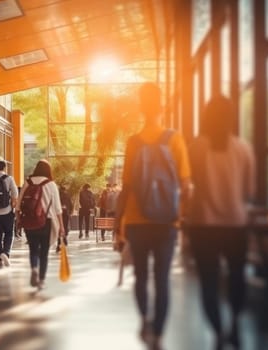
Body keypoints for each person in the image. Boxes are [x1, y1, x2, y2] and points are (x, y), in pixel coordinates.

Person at [114, 82, 192, 350]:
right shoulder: (175, 139)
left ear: (141, 108)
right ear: (162, 107)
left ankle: (145, 320)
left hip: (137, 219)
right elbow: (186, 185)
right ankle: (158, 332)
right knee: (162, 277)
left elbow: (126, 187)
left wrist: (117, 225)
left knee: (142, 276)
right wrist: (181, 216)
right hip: (166, 221)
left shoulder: (133, 142)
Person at [185, 96, 255, 349]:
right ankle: (234, 323)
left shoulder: (196, 147)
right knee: (237, 277)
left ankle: (217, 330)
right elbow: (249, 190)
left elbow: (189, 185)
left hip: (203, 224)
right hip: (236, 224)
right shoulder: (243, 148)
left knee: (209, 281)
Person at [16, 160, 65, 289]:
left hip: (29, 221)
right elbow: (58, 208)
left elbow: (18, 204)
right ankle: (41, 280)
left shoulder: (28, 182)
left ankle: (34, 268)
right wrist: (61, 227)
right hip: (46, 222)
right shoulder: (51, 184)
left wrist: (18, 219)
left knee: (33, 249)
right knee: (44, 252)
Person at [56, 185, 73, 252]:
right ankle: (65, 238)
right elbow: (71, 204)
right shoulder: (67, 195)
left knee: (58, 227)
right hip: (66, 213)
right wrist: (70, 212)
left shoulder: (57, 195)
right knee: (65, 226)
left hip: (58, 214)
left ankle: (58, 242)